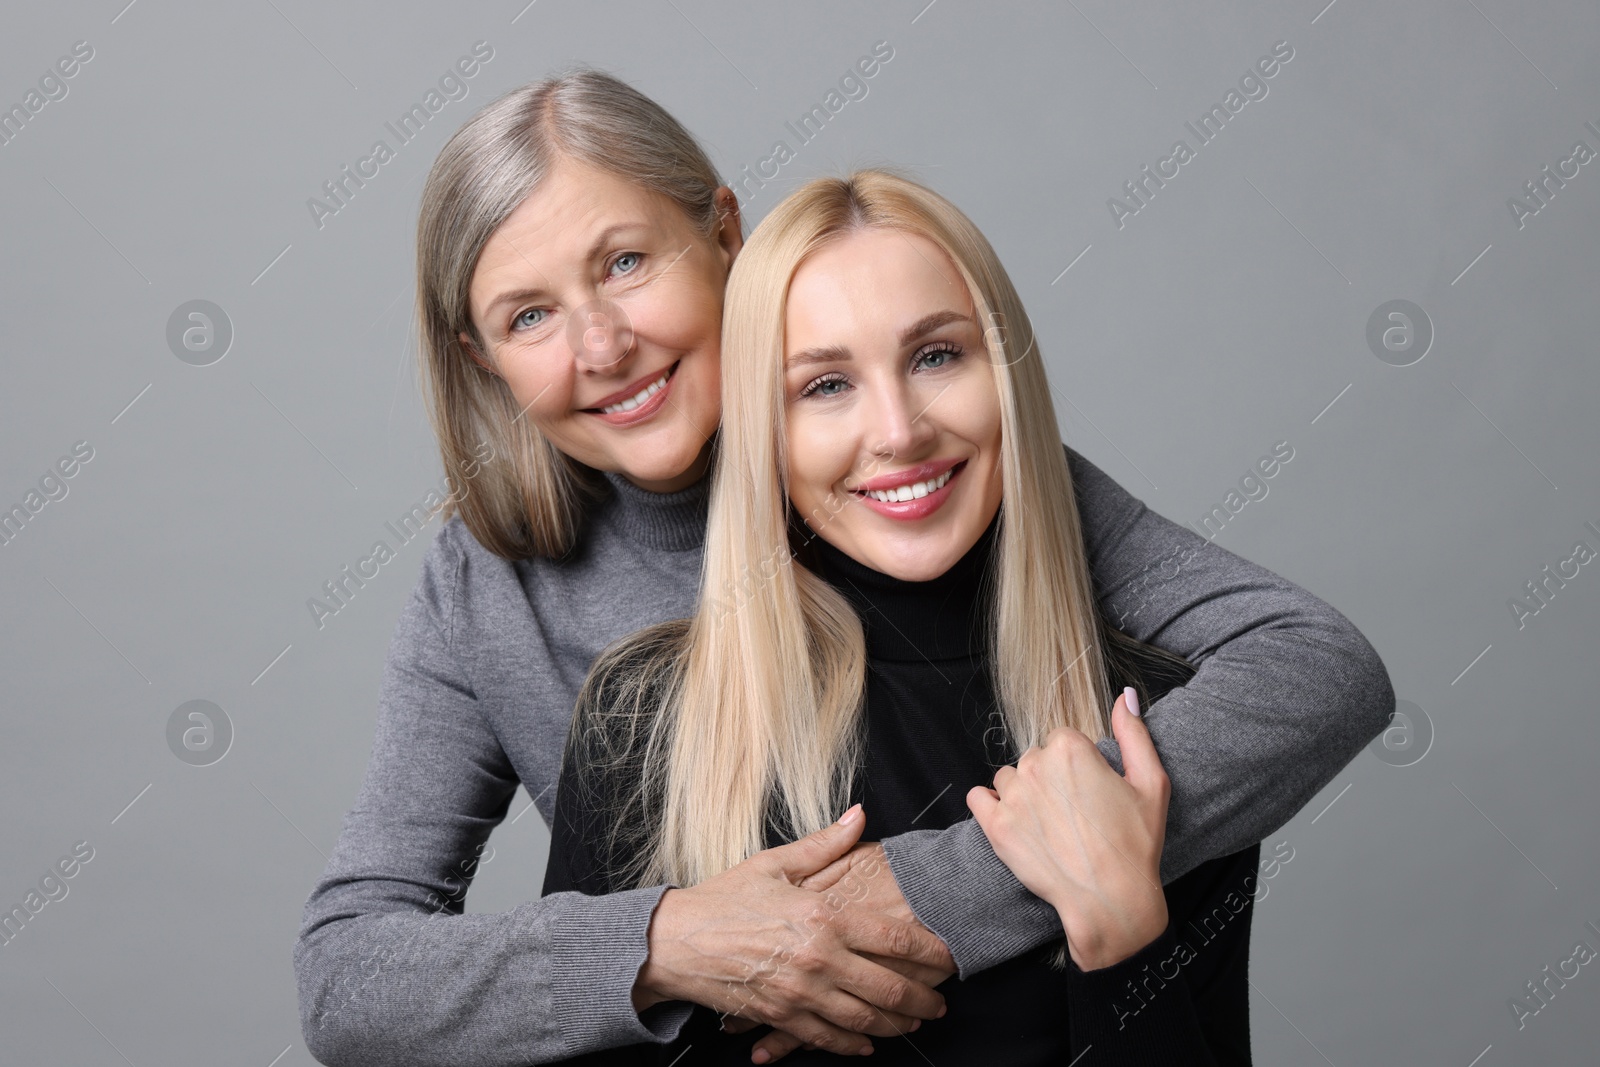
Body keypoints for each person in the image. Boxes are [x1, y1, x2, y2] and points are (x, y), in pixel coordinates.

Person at [292, 69, 1394, 1066]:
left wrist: (944, 891)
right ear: (483, 361)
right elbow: (350, 975)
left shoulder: (913, 477)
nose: (599, 346)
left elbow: (1315, 667)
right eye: (529, 316)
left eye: (625, 263)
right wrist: (670, 937)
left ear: (723, 232)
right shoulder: (505, 607)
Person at [540, 170, 1261, 1063]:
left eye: (935, 357)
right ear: (767, 434)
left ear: (1008, 377)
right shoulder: (645, 720)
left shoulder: (1159, 720)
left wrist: (1123, 942)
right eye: (825, 385)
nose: (898, 430)